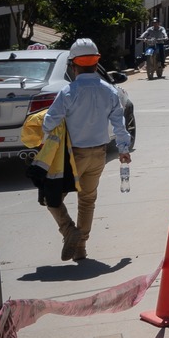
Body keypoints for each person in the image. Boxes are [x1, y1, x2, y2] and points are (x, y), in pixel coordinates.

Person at [40, 38, 132, 262]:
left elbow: (49, 122)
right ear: (96, 62)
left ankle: (69, 230)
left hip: (74, 157)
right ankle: (80, 248)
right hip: (99, 154)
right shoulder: (109, 91)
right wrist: (123, 149)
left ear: (74, 65)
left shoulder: (68, 92)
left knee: (51, 198)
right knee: (87, 200)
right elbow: (120, 124)